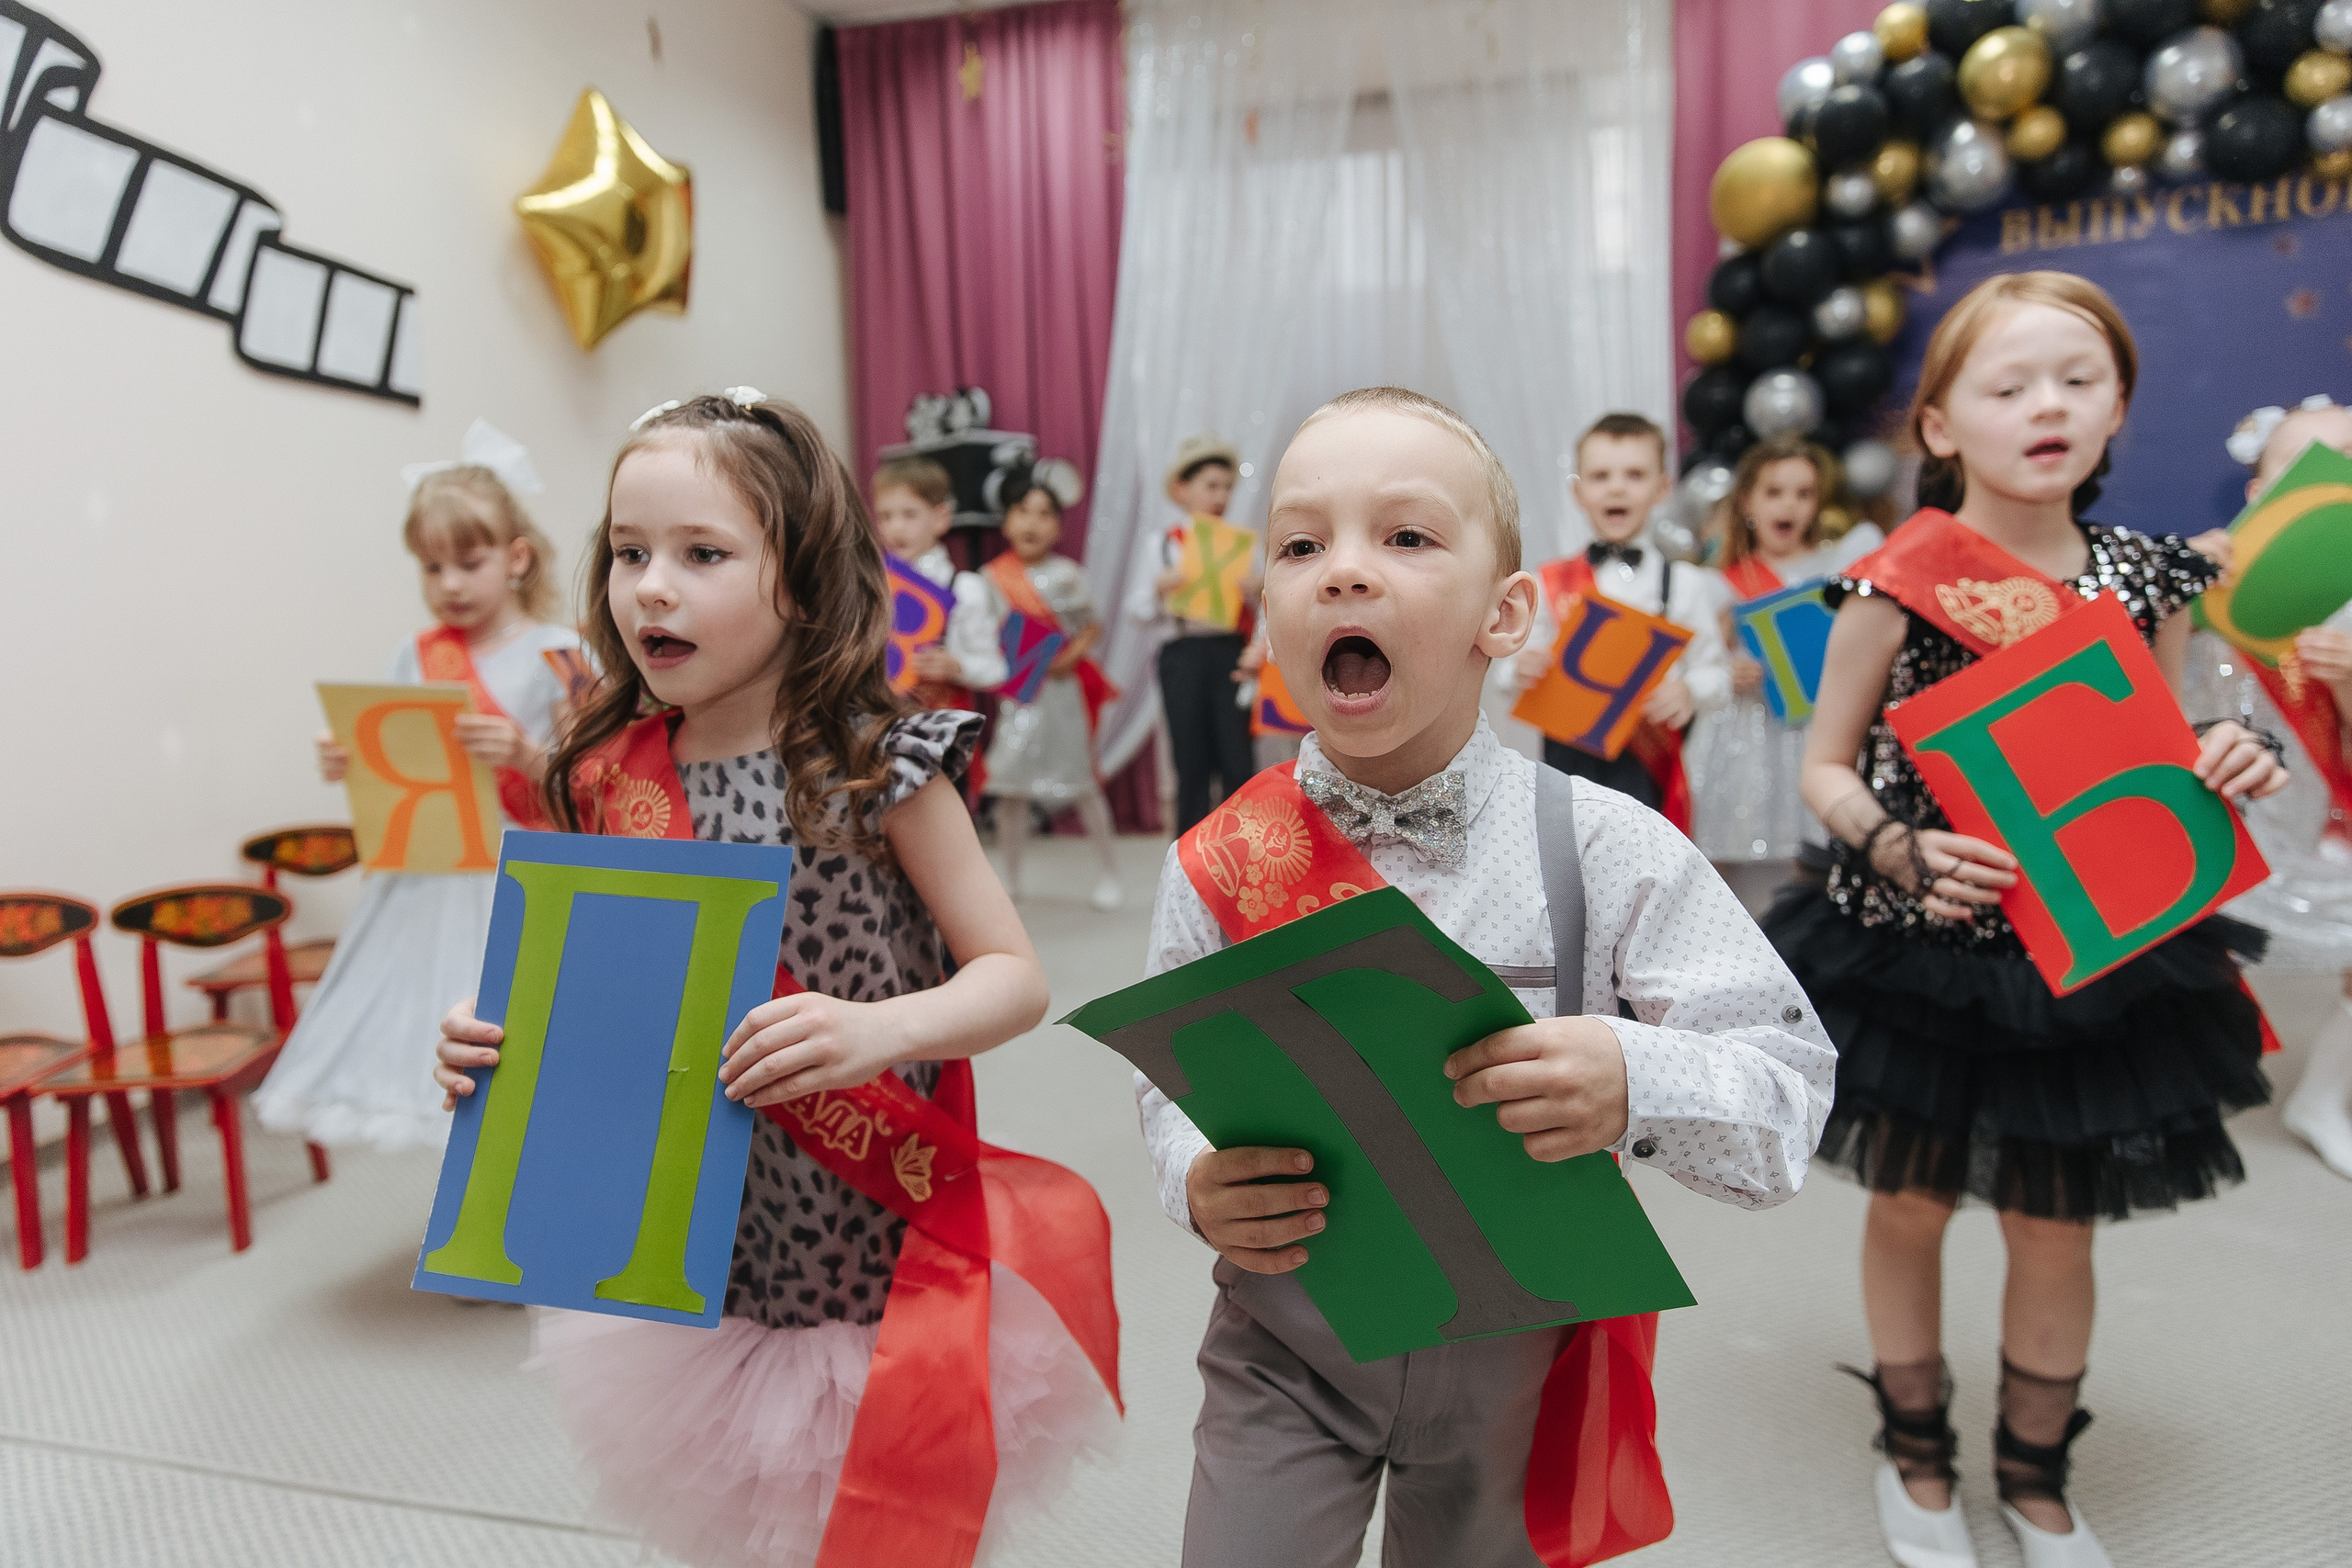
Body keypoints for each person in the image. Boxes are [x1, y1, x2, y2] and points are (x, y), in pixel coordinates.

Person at [1136, 386, 1835, 1568]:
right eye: (1300, 546)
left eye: (1405, 535)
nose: (1343, 572)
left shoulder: (1610, 847)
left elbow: (1787, 1104)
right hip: (1284, 1343)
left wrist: (1632, 1076)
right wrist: (1193, 1178)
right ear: (1266, 616)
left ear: (1505, 615)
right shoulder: (1213, 863)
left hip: (1519, 1359)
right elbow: (1171, 1087)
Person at [430, 390, 1117, 1568]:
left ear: (799, 576)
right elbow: (583, 991)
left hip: (865, 1240)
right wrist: (490, 1037)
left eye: (702, 554)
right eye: (630, 553)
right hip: (707, 1252)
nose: (652, 587)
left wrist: (878, 1031)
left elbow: (1014, 978)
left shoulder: (877, 765)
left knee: (885, 1531)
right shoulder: (603, 774)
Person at [1762, 273, 2288, 1568]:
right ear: (1941, 425)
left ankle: (2036, 1477)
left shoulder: (2148, 578)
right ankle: (1916, 1451)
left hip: (2084, 956)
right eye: (2008, 386)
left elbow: (2159, 754)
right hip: (1916, 948)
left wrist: (2228, 751)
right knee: (1910, 1200)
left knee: (2058, 1218)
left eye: (2077, 379)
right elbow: (1822, 766)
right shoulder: (1890, 583)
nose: (2046, 405)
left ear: (2117, 409)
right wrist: (1892, 842)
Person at [254, 422, 579, 1152]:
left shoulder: (561, 653)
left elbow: (597, 779)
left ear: (517, 557)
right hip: (434, 875)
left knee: (529, 1045)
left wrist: (527, 754)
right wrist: (347, 759)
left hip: (525, 869)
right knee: (431, 1045)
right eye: (432, 567)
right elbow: (399, 768)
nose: (450, 584)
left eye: (469, 561)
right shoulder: (415, 653)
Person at [2182, 394, 2352, 1180]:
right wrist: (2177, 592)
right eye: (2312, 462)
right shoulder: (2203, 580)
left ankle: (2323, 1095)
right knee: (2182, 953)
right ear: (2260, 492)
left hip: (2316, 822)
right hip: (2212, 816)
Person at [1498, 412, 1727, 831]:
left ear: (1662, 488)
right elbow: (1507, 669)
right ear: (1578, 492)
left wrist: (1690, 690)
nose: (1617, 488)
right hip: (1568, 767)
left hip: (1650, 766)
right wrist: (1519, 669)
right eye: (1600, 476)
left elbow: (1717, 674)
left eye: (1634, 475)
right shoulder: (1550, 581)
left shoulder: (1686, 583)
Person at [1685, 435, 1884, 899]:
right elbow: (1693, 667)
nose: (1789, 505)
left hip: (1818, 733)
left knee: (1814, 866)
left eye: (1804, 493)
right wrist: (1726, 667)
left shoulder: (1839, 573)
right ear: (1747, 503)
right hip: (1743, 738)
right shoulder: (1715, 585)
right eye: (1774, 492)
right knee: (1723, 873)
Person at [980, 464, 1124, 910]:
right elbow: (984, 634)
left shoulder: (1068, 574)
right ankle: (1011, 880)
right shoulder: (990, 578)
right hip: (1020, 696)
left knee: (1083, 783)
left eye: (1044, 514)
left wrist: (1070, 656)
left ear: (1058, 527)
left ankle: (1109, 874)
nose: (1032, 523)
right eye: (1023, 511)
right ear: (1007, 521)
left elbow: (1091, 625)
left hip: (1062, 696)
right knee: (1010, 787)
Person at [1127, 433, 1259, 832]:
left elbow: (1266, 614)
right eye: (1211, 486)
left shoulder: (1240, 546)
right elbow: (1137, 610)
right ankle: (1189, 853)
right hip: (1182, 654)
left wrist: (1258, 591)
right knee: (1190, 760)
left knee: (1238, 758)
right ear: (1183, 489)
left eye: (1227, 487)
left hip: (1231, 652)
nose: (1221, 496)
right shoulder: (1164, 545)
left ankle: (1241, 847)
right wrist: (1159, 589)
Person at [870, 454, 1008, 706]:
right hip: (881, 718)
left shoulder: (964, 588)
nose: (896, 528)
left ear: (940, 517)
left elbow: (997, 669)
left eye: (909, 514)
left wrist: (956, 666)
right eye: (885, 517)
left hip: (944, 720)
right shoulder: (872, 584)